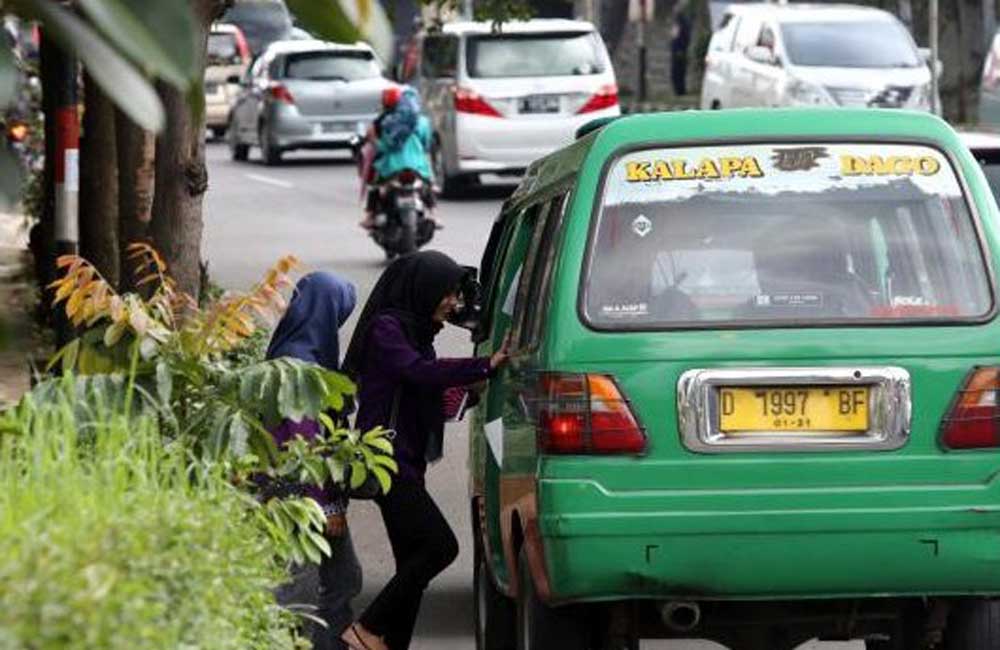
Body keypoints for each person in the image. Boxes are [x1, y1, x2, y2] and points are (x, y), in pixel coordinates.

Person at [339, 251, 509, 650]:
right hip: (385, 462)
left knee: (412, 561)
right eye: (447, 293)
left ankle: (389, 642)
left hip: (406, 462)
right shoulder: (387, 329)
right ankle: (367, 629)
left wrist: (471, 393)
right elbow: (417, 373)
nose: (453, 302)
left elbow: (425, 391)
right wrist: (483, 366)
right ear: (424, 290)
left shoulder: (415, 333)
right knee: (439, 547)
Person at [265, 271, 362, 650]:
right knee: (304, 587)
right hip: (299, 499)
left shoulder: (286, 352)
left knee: (340, 578)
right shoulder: (301, 369)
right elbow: (301, 447)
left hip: (285, 492)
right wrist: (326, 506)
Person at [359, 86, 438, 231]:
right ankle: (433, 213)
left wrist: (374, 139)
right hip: (418, 166)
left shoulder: (384, 122)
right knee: (428, 184)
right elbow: (426, 144)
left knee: (374, 185)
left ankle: (370, 216)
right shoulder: (423, 122)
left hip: (391, 167)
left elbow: (383, 148)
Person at [670, 2, 692, 96]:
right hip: (678, 49)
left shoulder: (680, 22)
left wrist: (680, 49)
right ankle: (679, 90)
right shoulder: (680, 21)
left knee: (678, 71)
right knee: (678, 71)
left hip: (679, 50)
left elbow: (680, 37)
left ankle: (679, 91)